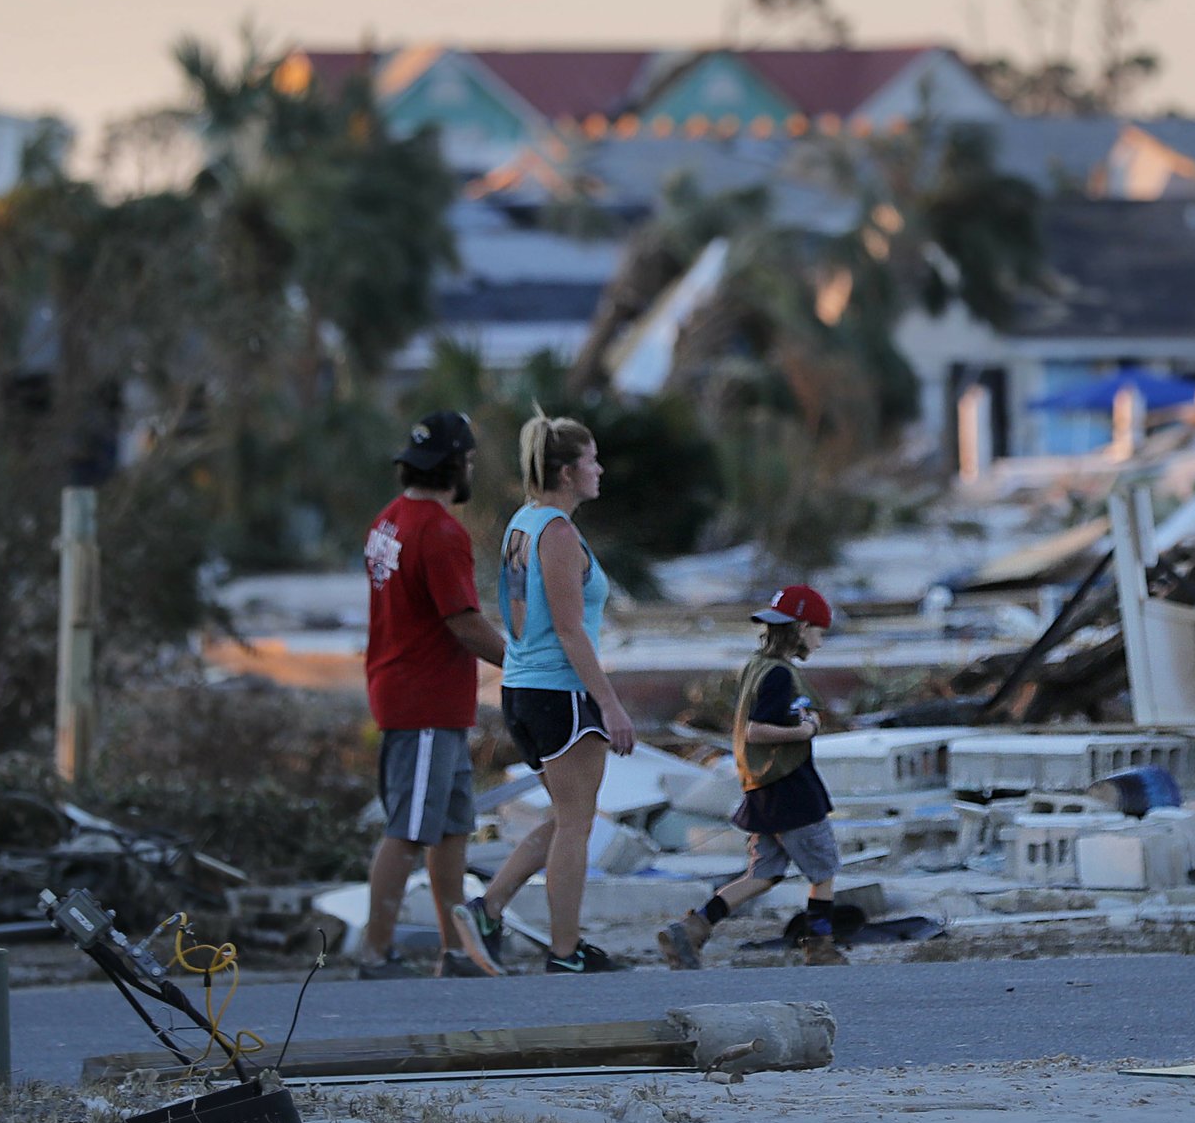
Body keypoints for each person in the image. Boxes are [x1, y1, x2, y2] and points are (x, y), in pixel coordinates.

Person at [457, 412, 635, 974]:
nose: (599, 469)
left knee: (565, 815)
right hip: (559, 693)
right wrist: (610, 704)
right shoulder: (557, 532)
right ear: (565, 471)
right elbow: (567, 628)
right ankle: (565, 952)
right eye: (591, 459)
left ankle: (487, 908)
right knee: (578, 823)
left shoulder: (523, 522)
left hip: (522, 689)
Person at [356, 409, 505, 980]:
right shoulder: (441, 533)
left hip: (423, 698)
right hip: (423, 703)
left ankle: (454, 950)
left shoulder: (388, 521)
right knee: (409, 829)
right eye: (468, 461)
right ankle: (376, 954)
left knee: (449, 828)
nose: (470, 471)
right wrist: (522, 667)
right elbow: (463, 622)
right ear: (454, 465)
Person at [656, 584, 848, 970]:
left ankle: (692, 928)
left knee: (764, 873)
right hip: (791, 788)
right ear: (801, 628)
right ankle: (820, 947)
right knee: (823, 869)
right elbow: (757, 730)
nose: (820, 643)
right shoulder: (778, 674)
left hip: (762, 789)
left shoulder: (756, 665)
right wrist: (805, 731)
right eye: (819, 633)